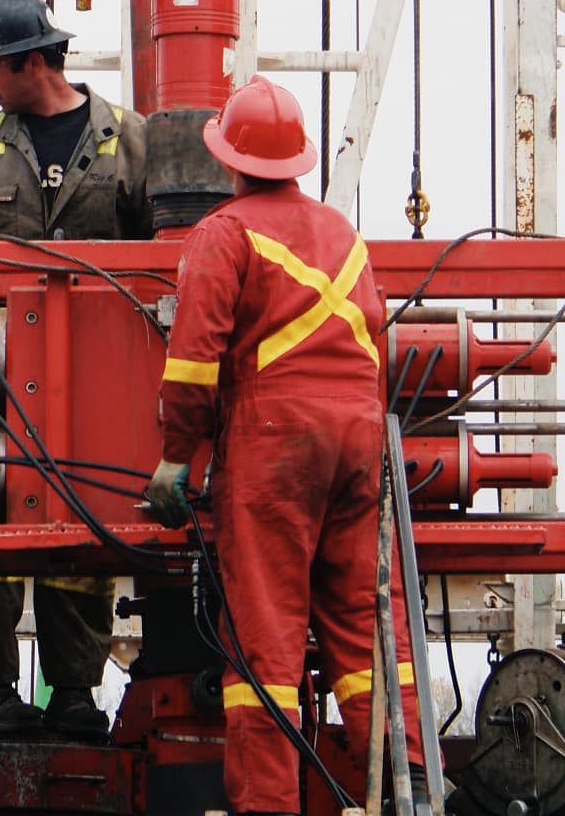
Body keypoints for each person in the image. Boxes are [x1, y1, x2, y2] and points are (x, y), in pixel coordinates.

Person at [145, 76, 426, 815]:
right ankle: (409, 780)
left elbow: (192, 358)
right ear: (297, 161)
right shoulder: (344, 234)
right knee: (365, 629)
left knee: (265, 641)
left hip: (274, 445)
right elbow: (376, 340)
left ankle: (270, 804)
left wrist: (178, 455)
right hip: (361, 439)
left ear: (229, 162)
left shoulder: (224, 233)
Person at [0, 0, 150, 738]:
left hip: (96, 388)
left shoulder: (131, 139)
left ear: (31, 61)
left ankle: (74, 693)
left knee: (81, 534)